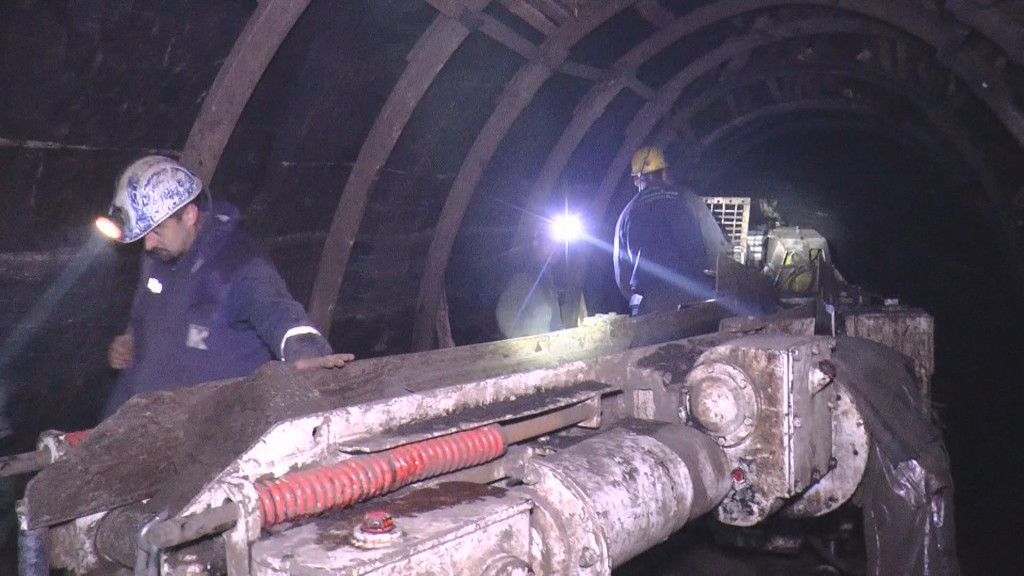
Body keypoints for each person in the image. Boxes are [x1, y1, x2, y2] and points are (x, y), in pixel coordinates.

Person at [96, 156, 349, 417]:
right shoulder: (157, 257)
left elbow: (280, 314)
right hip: (139, 428)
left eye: (157, 230)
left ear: (190, 215)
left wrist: (306, 353)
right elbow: (148, 319)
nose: (148, 244)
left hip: (212, 439)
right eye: (144, 233)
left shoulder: (239, 266)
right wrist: (131, 341)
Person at [613, 146, 731, 315]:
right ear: (664, 173)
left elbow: (622, 277)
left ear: (636, 180)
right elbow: (717, 253)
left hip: (649, 305)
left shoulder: (625, 215)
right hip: (692, 298)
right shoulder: (688, 200)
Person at [495, 223, 565, 338]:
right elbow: (505, 315)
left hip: (549, 350)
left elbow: (555, 322)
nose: (556, 249)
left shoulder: (548, 282)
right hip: (532, 351)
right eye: (550, 242)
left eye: (559, 245)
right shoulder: (522, 279)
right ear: (536, 243)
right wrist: (529, 342)